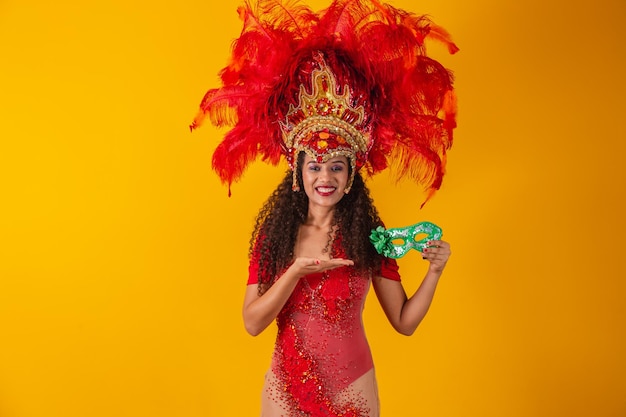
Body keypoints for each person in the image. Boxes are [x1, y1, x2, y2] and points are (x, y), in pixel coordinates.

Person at [191, 2, 458, 415]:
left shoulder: (372, 236)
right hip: (285, 388)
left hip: (354, 388)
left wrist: (435, 271)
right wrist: (296, 269)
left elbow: (404, 322)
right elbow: (252, 322)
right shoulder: (274, 238)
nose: (325, 177)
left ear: (351, 175)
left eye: (336, 166)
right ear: (298, 173)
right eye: (315, 166)